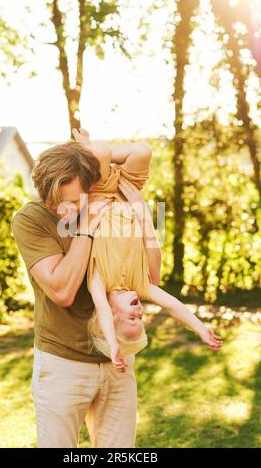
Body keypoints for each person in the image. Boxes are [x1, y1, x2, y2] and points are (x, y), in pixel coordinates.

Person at [11, 134, 154, 448]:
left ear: (93, 186)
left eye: (75, 202)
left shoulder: (110, 202)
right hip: (63, 364)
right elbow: (61, 290)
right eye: (56, 203)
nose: (64, 211)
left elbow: (150, 279)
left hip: (115, 358)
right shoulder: (31, 219)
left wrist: (92, 155)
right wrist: (86, 224)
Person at [71, 129, 223, 375]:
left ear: (111, 315)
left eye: (133, 318)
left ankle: (93, 155)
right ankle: (100, 160)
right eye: (141, 320)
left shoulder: (97, 283)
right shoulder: (142, 286)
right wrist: (200, 329)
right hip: (127, 193)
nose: (140, 312)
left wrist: (112, 344)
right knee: (143, 151)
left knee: (99, 151)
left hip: (99, 192)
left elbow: (101, 310)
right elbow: (173, 306)